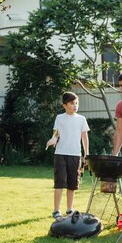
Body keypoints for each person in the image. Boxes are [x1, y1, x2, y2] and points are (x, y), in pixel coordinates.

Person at [46, 91, 90, 219]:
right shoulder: (59, 118)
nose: (75, 106)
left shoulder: (82, 119)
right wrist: (53, 139)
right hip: (60, 154)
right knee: (60, 182)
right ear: (64, 105)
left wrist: (86, 154)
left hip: (75, 155)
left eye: (76, 103)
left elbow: (85, 138)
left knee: (72, 183)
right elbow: (56, 133)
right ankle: (56, 210)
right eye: (72, 103)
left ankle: (69, 209)